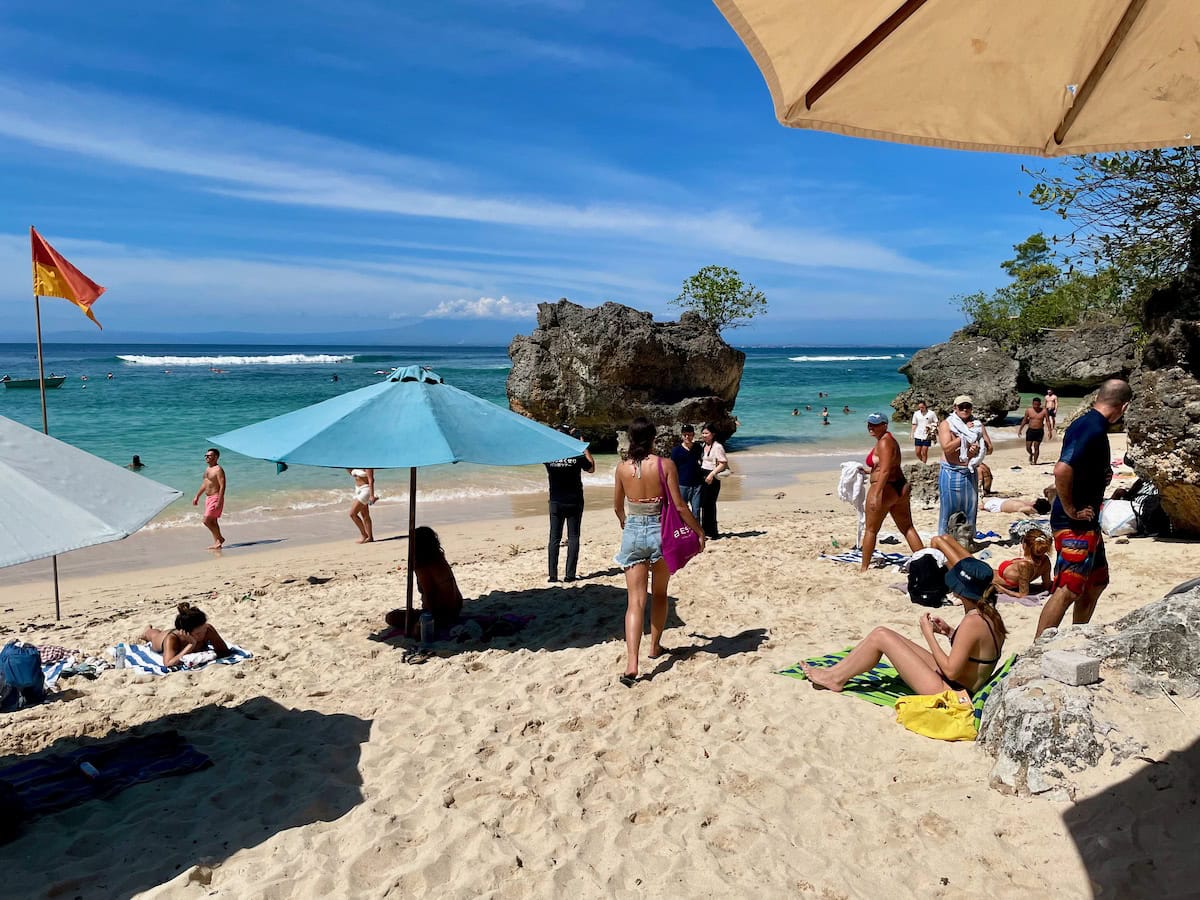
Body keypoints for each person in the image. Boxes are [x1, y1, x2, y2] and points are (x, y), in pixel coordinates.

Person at [800, 558, 1005, 697]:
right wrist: (950, 633)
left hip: (951, 691)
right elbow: (976, 654)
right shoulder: (989, 615)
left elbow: (951, 671)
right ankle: (835, 673)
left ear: (961, 590)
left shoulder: (972, 621)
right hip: (961, 684)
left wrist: (929, 636)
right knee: (884, 633)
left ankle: (834, 678)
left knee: (881, 636)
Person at [1036, 379, 1133, 638]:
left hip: (1088, 524)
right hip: (1074, 523)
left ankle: (1077, 635)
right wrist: (1070, 509)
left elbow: (1076, 470)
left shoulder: (1090, 424)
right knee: (1068, 587)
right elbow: (1062, 469)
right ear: (1123, 407)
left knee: (1097, 581)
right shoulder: (1092, 428)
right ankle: (1037, 648)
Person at [613, 417, 704, 686]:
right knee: (660, 593)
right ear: (654, 438)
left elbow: (618, 506)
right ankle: (654, 647)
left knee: (635, 601)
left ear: (630, 439)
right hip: (660, 532)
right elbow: (679, 506)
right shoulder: (665, 465)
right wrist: (698, 531)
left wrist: (625, 523)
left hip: (633, 532)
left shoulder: (621, 468)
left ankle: (632, 663)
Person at [859, 413, 924, 571]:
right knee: (907, 528)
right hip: (898, 487)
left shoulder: (884, 442)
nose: (870, 427)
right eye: (869, 424)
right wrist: (868, 471)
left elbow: (886, 470)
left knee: (871, 529)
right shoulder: (888, 441)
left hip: (886, 488)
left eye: (874, 424)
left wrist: (876, 493)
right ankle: (925, 561)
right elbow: (885, 465)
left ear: (884, 425)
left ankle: (864, 568)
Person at [385, 526, 464, 635]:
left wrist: (427, 619)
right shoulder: (439, 558)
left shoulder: (423, 565)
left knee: (391, 617)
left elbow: (430, 594)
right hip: (456, 607)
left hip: (441, 613)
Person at [931, 530, 1052, 598]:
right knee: (946, 538)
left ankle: (931, 582)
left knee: (937, 540)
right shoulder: (1045, 561)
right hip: (981, 570)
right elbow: (1046, 586)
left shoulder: (1024, 566)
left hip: (977, 577)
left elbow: (1022, 595)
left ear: (1025, 545)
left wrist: (1001, 589)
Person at [544, 427, 595, 582]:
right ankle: (570, 575)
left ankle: (553, 576)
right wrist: (582, 447)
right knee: (573, 537)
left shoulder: (549, 455)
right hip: (574, 500)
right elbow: (591, 468)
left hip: (556, 501)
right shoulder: (576, 454)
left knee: (554, 538)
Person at [936, 396, 992, 536]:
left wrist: (978, 448)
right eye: (961, 407)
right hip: (951, 472)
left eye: (968, 406)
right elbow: (947, 448)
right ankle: (946, 539)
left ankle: (967, 539)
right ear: (955, 408)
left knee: (970, 508)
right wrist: (964, 437)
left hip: (969, 471)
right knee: (949, 508)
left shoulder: (977, 425)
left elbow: (990, 448)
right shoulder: (946, 424)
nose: (965, 409)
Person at [141, 603, 231, 667]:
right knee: (153, 635)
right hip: (162, 639)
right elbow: (168, 663)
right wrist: (191, 645)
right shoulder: (172, 639)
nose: (204, 634)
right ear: (186, 633)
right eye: (198, 633)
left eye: (204, 629)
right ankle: (147, 629)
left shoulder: (207, 629)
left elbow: (224, 651)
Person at [192, 448, 226, 550]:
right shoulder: (207, 469)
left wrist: (219, 500)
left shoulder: (218, 470)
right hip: (208, 498)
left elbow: (222, 486)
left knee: (206, 521)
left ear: (215, 457)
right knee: (213, 521)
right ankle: (217, 542)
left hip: (216, 497)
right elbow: (205, 484)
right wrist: (197, 496)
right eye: (205, 455)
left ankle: (220, 538)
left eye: (209, 455)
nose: (206, 457)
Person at [698, 424, 728, 539]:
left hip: (712, 476)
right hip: (703, 475)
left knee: (710, 503)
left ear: (713, 434)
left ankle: (713, 531)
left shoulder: (717, 447)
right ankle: (706, 530)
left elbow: (723, 462)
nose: (704, 435)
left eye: (706, 433)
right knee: (704, 504)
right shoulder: (703, 445)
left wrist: (712, 474)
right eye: (703, 433)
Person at [670, 424, 703, 523]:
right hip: (682, 484)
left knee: (696, 510)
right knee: (682, 510)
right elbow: (672, 468)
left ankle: (696, 533)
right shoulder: (676, 451)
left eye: (689, 435)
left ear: (693, 435)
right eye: (685, 435)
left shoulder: (698, 448)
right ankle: (682, 531)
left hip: (697, 484)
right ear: (682, 436)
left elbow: (705, 461)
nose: (687, 437)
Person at [1017, 397, 1051, 465]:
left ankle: (1035, 462)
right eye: (1034, 404)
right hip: (1030, 430)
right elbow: (1024, 420)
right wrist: (1020, 429)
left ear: (1040, 404)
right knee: (1028, 447)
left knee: (1036, 447)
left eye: (1037, 404)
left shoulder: (1044, 411)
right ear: (1032, 404)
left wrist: (1050, 431)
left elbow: (1047, 421)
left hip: (1039, 431)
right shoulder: (1028, 410)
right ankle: (1031, 454)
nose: (1036, 406)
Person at [347, 468, 377, 543]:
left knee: (352, 514)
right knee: (365, 514)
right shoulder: (356, 463)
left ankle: (364, 535)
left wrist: (372, 495)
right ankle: (370, 537)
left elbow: (371, 480)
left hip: (366, 490)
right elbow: (351, 473)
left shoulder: (368, 464)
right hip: (358, 489)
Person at [910, 400, 938, 464]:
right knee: (917, 452)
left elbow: (936, 422)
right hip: (918, 434)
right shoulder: (916, 413)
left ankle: (924, 465)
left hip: (928, 434)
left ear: (925, 406)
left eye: (922, 407)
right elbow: (914, 424)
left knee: (924, 452)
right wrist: (912, 433)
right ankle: (922, 462)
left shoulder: (931, 413)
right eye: (919, 407)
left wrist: (931, 427)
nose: (921, 409)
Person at [979, 496, 1052, 516]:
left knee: (982, 506)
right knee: (981, 506)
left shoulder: (1027, 505)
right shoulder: (1028, 505)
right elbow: (1021, 510)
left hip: (998, 504)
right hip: (999, 504)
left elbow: (1021, 510)